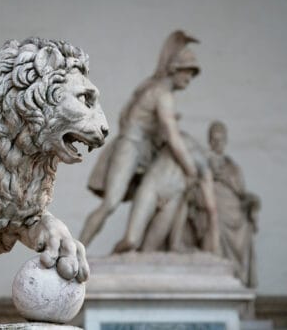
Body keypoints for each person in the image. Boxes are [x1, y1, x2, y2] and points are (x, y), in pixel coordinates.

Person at [80, 30, 210, 246]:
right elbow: (173, 137)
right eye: (187, 72)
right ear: (174, 69)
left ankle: (142, 245)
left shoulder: (154, 89)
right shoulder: (162, 94)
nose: (190, 78)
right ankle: (74, 252)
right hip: (130, 147)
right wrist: (191, 168)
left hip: (142, 152)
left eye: (192, 73)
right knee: (110, 203)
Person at [207, 121, 260, 288]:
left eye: (221, 140)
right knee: (215, 223)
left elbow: (242, 192)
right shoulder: (204, 163)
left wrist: (252, 202)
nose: (218, 144)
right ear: (209, 141)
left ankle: (239, 278)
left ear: (226, 141)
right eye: (214, 140)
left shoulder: (234, 168)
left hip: (235, 211)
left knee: (245, 225)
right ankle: (222, 278)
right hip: (216, 211)